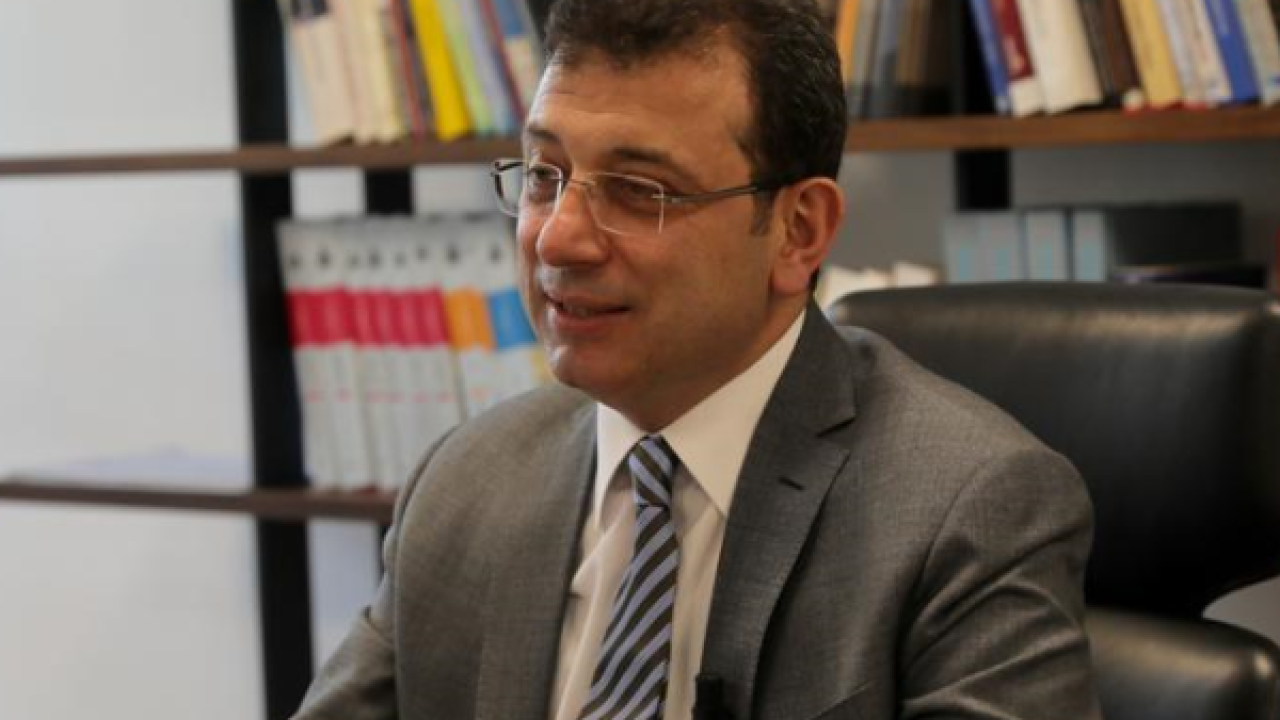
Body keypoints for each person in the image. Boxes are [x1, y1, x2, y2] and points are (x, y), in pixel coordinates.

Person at [292, 0, 1102, 718]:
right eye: (544, 175)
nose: (558, 238)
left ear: (799, 232)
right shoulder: (468, 480)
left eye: (639, 190)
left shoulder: (967, 511)